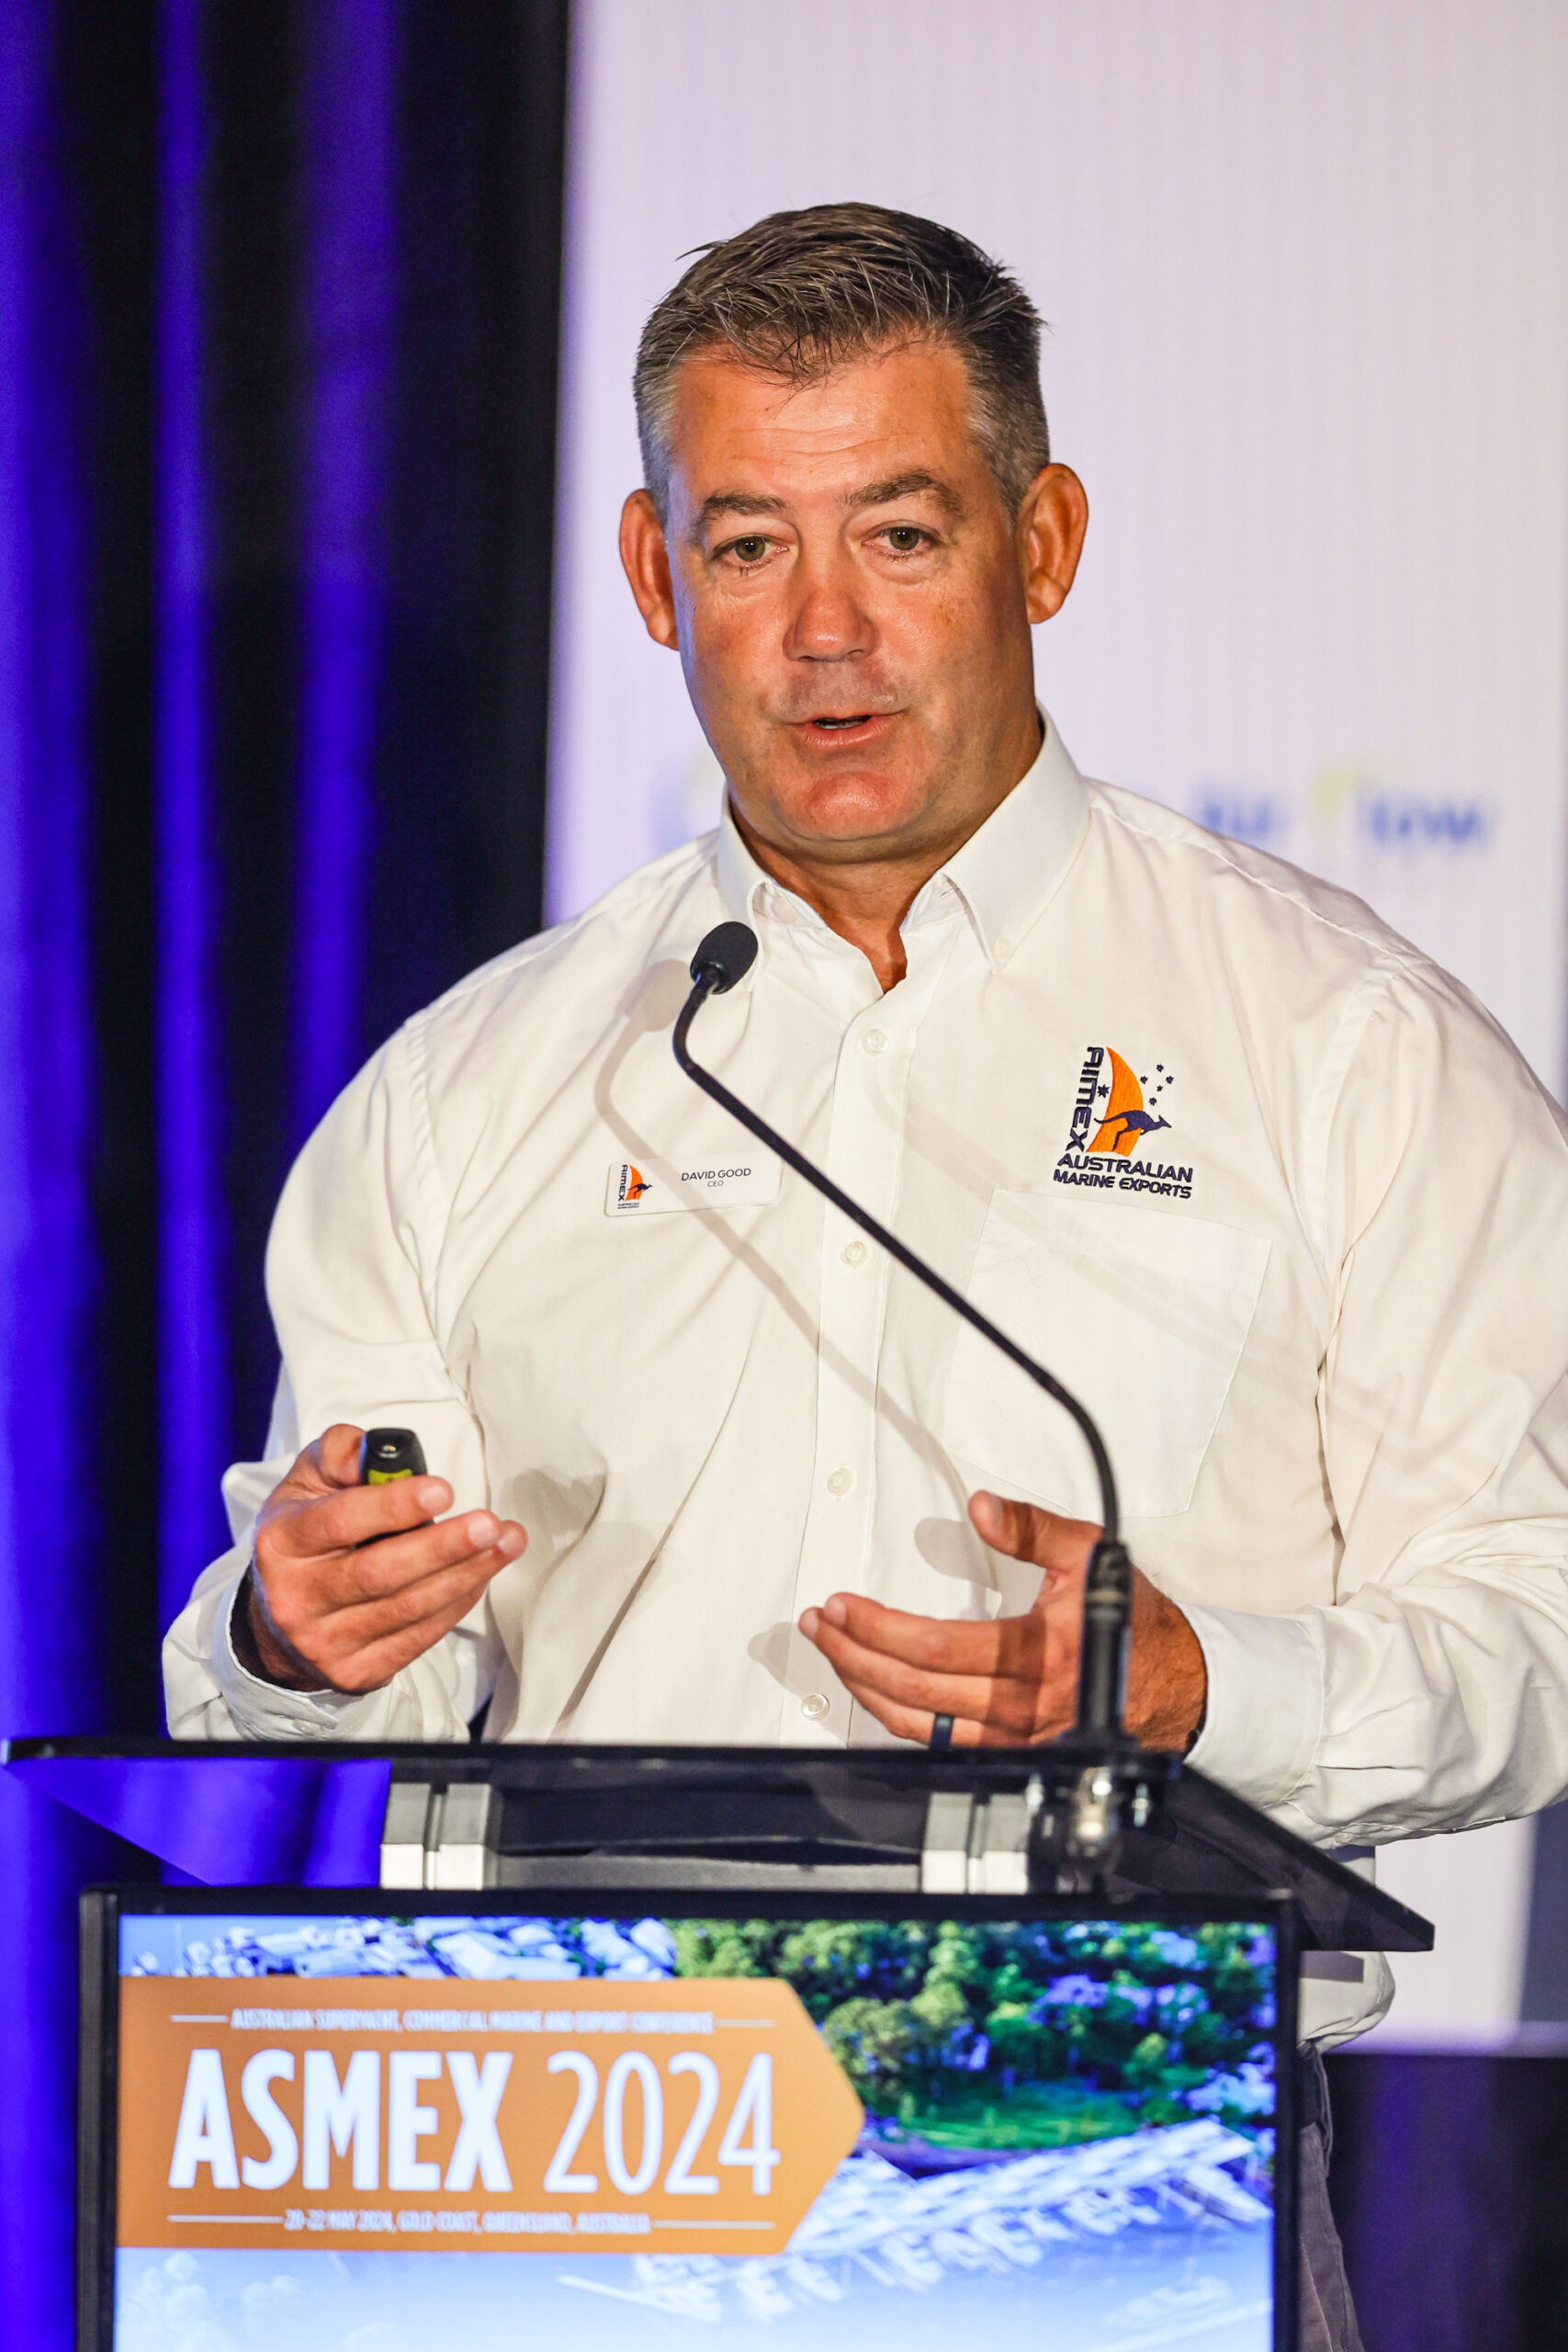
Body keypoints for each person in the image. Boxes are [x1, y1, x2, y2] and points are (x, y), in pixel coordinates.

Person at [164, 204, 1568, 2349]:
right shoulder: (466, 1092)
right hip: (577, 2178)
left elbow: (1538, 1618)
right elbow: (327, 1664)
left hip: (1121, 2184)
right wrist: (303, 1627)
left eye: (899, 536)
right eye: (745, 547)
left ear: (1041, 540)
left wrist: (1213, 1698)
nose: (824, 632)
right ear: (653, 577)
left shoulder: (1339, 1044)